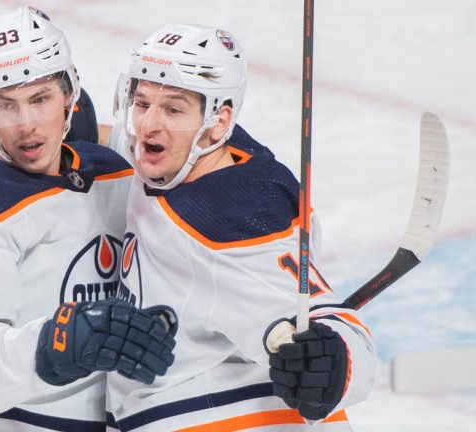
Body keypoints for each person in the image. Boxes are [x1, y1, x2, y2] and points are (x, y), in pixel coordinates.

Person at [0, 7, 177, 431]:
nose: (26, 126)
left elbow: (198, 157)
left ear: (70, 96)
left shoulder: (113, 173)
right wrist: (60, 343)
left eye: (40, 99)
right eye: (6, 106)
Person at [105, 24, 377, 431]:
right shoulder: (190, 150)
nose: (148, 125)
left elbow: (327, 322)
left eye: (173, 109)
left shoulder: (231, 220)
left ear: (218, 121)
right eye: (142, 103)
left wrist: (334, 360)